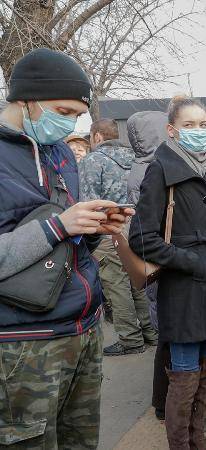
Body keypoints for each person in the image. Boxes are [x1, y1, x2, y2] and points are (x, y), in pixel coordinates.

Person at [0, 48, 132, 448]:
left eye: (78, 114)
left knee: (81, 442)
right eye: (63, 110)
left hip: (82, 328)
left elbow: (65, 243)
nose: (71, 122)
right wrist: (59, 225)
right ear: (24, 100)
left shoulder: (60, 154)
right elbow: (53, 229)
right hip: (22, 343)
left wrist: (92, 227)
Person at [129, 95, 206, 448]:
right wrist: (190, 260)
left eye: (202, 124)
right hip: (183, 289)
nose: (197, 131)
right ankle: (181, 444)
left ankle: (198, 437)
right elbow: (141, 238)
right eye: (188, 125)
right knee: (184, 373)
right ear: (171, 130)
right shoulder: (161, 169)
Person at [80, 117, 159, 356]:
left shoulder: (93, 161)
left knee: (116, 285)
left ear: (97, 136)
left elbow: (87, 202)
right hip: (136, 226)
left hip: (108, 230)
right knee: (139, 280)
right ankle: (150, 332)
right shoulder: (136, 158)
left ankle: (130, 339)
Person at [125, 110, 173, 420]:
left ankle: (170, 393)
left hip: (156, 260)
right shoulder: (154, 170)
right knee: (168, 333)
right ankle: (165, 399)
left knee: (167, 333)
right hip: (160, 261)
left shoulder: (142, 166)